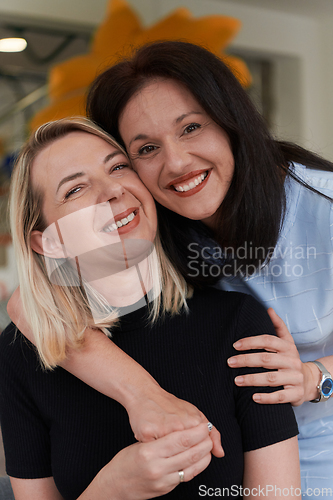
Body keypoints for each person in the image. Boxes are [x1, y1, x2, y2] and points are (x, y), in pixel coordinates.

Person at [0, 118, 300, 500]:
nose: (112, 190)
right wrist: (114, 489)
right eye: (75, 188)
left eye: (118, 166)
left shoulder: (238, 322)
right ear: (48, 243)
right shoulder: (19, 353)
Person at [85, 40, 333, 495]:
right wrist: (144, 396)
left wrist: (318, 377)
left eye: (191, 127)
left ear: (231, 122)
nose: (176, 163)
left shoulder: (325, 207)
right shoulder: (156, 232)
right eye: (146, 149)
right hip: (230, 457)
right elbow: (34, 306)